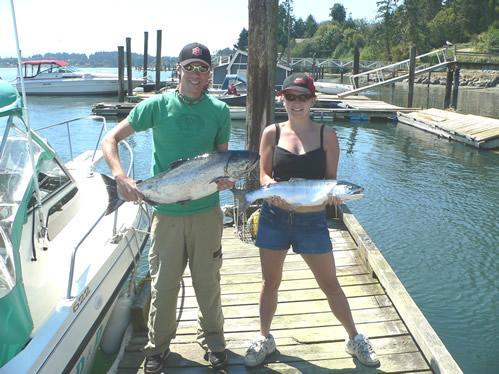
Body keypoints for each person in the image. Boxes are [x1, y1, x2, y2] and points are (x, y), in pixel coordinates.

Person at [102, 42, 233, 373]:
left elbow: (222, 160)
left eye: (202, 68)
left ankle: (215, 344)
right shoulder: (157, 106)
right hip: (166, 215)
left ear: (209, 74)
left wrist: (226, 180)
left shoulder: (220, 110)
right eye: (189, 66)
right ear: (179, 70)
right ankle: (157, 348)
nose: (195, 73)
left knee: (209, 283)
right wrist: (120, 177)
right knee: (163, 285)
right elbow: (111, 139)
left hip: (206, 213)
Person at [243, 73, 379, 368]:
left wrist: (335, 196)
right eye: (290, 97)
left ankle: (354, 337)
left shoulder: (326, 135)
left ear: (313, 100)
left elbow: (331, 180)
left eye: (303, 97)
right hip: (274, 217)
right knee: (270, 282)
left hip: (312, 221)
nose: (296, 103)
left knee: (330, 284)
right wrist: (268, 191)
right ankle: (264, 338)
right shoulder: (272, 133)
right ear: (283, 99)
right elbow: (264, 173)